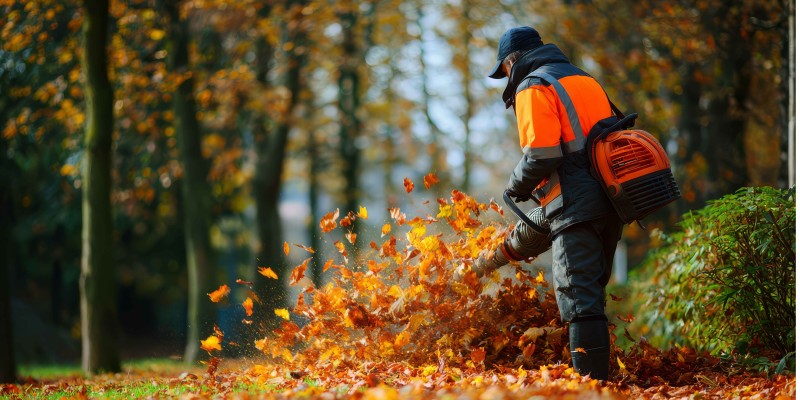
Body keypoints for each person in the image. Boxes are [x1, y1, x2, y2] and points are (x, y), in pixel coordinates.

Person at [488, 26, 624, 380]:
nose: (505, 76)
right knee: (592, 291)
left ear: (510, 61)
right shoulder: (583, 78)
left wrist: (515, 186)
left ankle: (591, 386)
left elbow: (542, 154)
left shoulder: (533, 85)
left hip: (576, 203)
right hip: (613, 197)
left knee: (578, 297)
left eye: (502, 69)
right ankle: (598, 379)